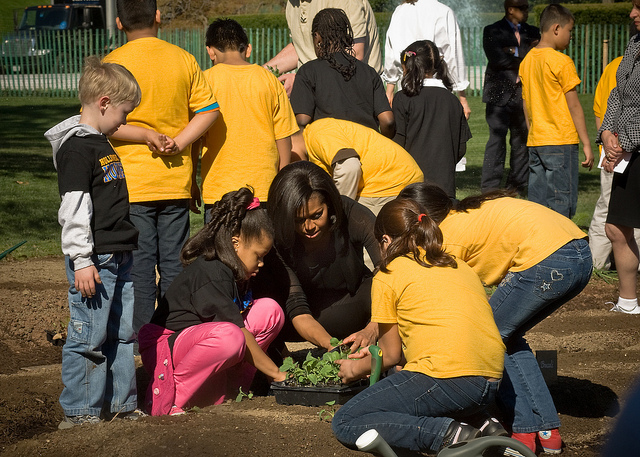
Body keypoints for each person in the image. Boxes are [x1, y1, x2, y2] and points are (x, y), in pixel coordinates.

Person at [399, 182, 593, 454]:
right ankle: (548, 433)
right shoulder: (467, 210)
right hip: (579, 253)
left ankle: (524, 431)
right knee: (507, 336)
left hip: (548, 259)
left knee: (488, 336)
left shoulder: (448, 239)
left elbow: (449, 303)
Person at [331, 198, 505, 454]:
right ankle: (483, 422)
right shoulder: (458, 264)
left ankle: (449, 434)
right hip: (491, 381)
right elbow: (422, 339)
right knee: (413, 388)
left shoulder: (388, 273)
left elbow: (389, 357)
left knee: (346, 421)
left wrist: (355, 369)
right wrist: (375, 354)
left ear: (386, 241)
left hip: (448, 378)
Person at [104, 0, 220, 334]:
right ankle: (175, 332)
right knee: (174, 264)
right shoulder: (183, 58)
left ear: (118, 22)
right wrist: (179, 143)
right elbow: (209, 111)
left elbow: (102, 123)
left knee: (138, 267)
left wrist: (144, 137)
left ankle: (142, 338)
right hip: (174, 181)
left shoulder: (112, 64)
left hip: (129, 183)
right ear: (157, 16)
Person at [44, 56, 143, 428]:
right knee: (89, 335)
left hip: (119, 255)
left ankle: (120, 405)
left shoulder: (99, 142)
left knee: (121, 332)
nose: (126, 121)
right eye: (124, 112)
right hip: (95, 261)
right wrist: (82, 260)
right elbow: (74, 210)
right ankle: (81, 412)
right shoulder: (77, 149)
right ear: (104, 103)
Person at [138, 188, 286, 416]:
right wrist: (277, 374)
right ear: (235, 243)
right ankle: (171, 397)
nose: (262, 263)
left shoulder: (234, 270)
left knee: (270, 311)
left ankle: (234, 390)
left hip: (195, 343)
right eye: (259, 256)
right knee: (232, 336)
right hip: (164, 348)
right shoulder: (213, 272)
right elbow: (240, 334)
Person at [265, 161, 381, 351]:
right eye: (298, 220)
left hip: (354, 303)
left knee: (381, 286)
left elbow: (391, 270)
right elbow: (297, 308)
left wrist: (373, 329)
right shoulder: (279, 239)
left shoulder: (351, 214)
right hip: (305, 319)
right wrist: (332, 347)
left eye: (317, 215)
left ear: (330, 204)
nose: (309, 227)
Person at [199, 18, 298, 213]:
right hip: (264, 189)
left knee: (222, 244)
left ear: (210, 51)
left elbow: (195, 137)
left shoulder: (204, 81)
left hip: (219, 189)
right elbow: (284, 137)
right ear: (248, 49)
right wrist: (281, 181)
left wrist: (191, 183)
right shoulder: (268, 79)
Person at [518, 3, 594, 219]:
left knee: (538, 204)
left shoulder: (526, 61)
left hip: (536, 142)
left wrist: (532, 130)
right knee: (562, 202)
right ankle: (563, 246)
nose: (570, 36)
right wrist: (587, 144)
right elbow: (574, 105)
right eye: (570, 30)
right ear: (557, 28)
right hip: (561, 141)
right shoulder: (561, 61)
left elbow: (526, 103)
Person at [290, 8, 394, 138]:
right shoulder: (369, 72)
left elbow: (302, 120)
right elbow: (387, 120)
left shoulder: (308, 71)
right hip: (368, 148)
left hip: (329, 149)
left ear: (317, 37)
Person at [598, 0, 640, 314]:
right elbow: (617, 93)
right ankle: (628, 303)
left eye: (639, 7)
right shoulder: (634, 42)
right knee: (616, 228)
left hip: (633, 146)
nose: (632, 13)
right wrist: (607, 133)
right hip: (627, 150)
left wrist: (624, 142)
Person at [392, 40, 471, 199]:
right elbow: (461, 147)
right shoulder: (452, 100)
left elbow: (397, 144)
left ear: (408, 67)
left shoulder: (402, 99)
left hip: (412, 187)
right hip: (445, 189)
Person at [301, 117, 423, 215]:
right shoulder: (315, 136)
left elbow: (349, 168)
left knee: (360, 236)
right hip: (393, 177)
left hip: (390, 182)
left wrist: (336, 211)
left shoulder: (317, 133)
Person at [481, 0, 540, 195]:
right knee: (496, 140)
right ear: (511, 10)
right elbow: (497, 59)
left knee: (521, 141)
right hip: (499, 94)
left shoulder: (533, 31)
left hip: (523, 94)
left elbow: (538, 57)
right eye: (523, 8)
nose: (527, 11)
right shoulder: (492, 30)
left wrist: (511, 51)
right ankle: (490, 187)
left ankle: (516, 186)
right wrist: (524, 52)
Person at [264, 0, 382, 95]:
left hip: (353, 97)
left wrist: (303, 80)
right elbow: (301, 48)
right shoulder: (292, 3)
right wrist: (260, 72)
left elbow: (354, 54)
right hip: (315, 95)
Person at [588, 57, 640, 271]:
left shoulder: (613, 66)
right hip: (621, 151)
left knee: (606, 207)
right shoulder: (621, 66)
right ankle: (600, 263)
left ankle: (597, 262)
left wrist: (606, 149)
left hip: (614, 148)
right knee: (622, 212)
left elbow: (599, 111)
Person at [383, 0, 470, 118]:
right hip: (436, 87)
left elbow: (390, 53)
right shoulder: (444, 11)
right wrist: (462, 97)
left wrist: (390, 90)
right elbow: (453, 55)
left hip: (406, 86)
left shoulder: (399, 11)